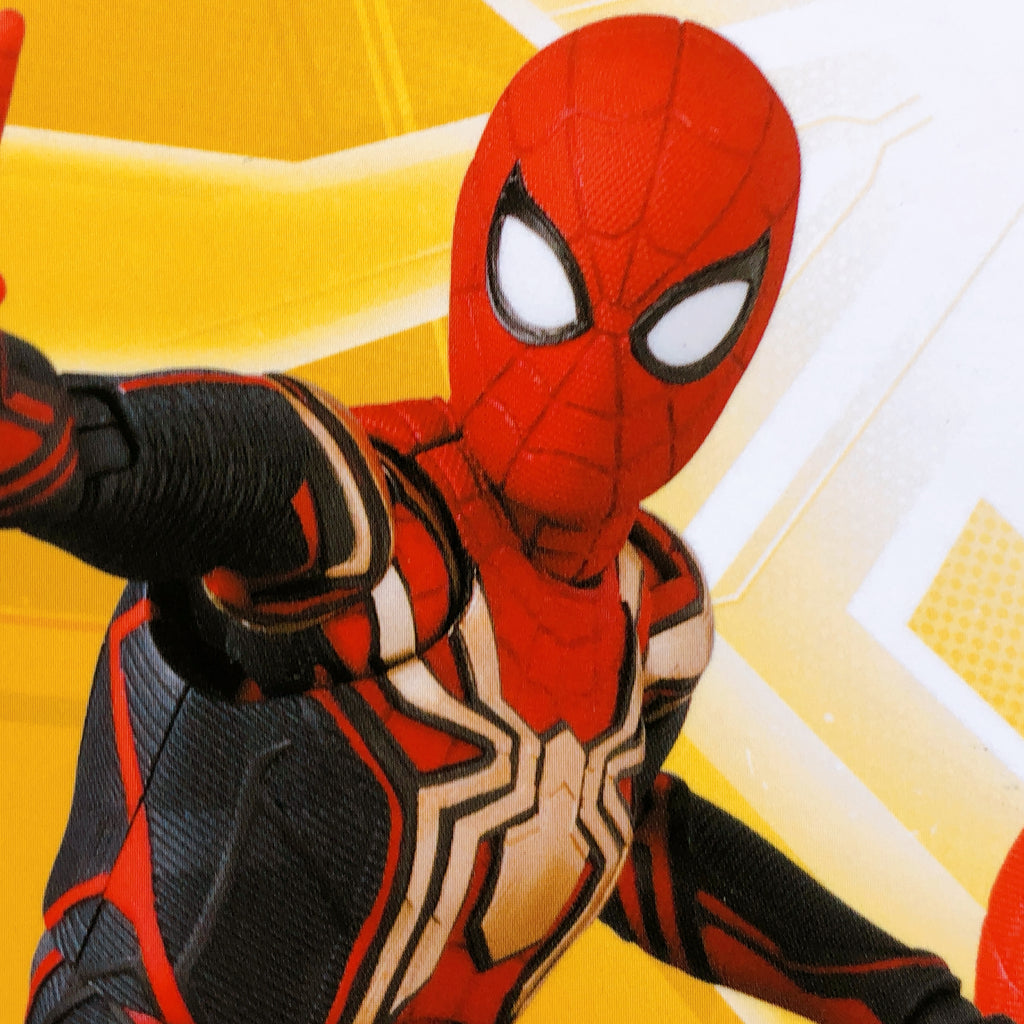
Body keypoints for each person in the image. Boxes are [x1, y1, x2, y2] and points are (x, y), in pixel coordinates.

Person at [4, 14, 1006, 1024]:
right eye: (553, 285)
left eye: (675, 323)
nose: (595, 370)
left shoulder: (653, 620)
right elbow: (113, 459)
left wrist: (910, 1003)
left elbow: (615, 836)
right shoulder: (347, 516)